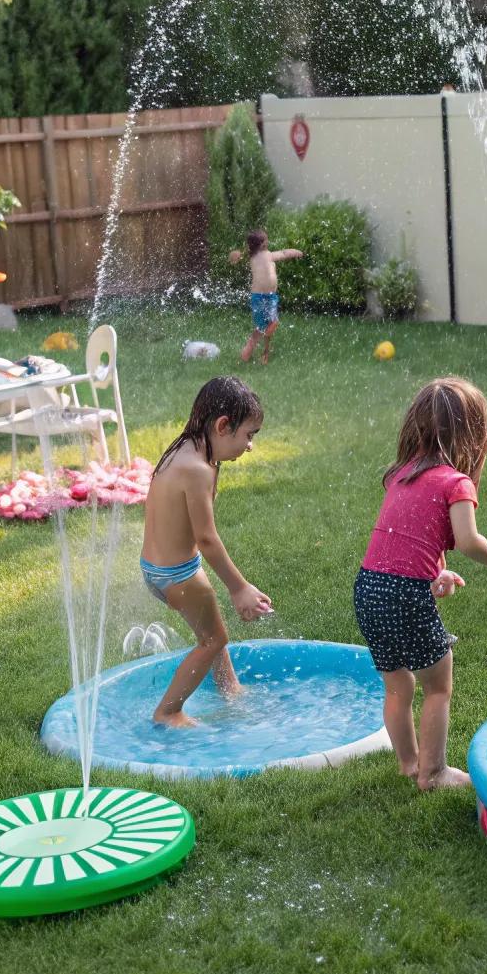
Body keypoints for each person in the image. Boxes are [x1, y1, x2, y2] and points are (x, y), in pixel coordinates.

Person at [353, 377, 487, 790]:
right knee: (437, 686)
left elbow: (407, 539)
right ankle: (433, 773)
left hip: (369, 588)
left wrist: (434, 571)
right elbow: (467, 540)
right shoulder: (456, 483)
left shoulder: (401, 475)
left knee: (397, 686)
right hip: (404, 593)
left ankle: (409, 764)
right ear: (473, 436)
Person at [141, 376, 272, 727]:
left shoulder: (187, 448)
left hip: (158, 567)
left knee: (211, 631)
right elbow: (208, 538)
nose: (250, 445)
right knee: (214, 639)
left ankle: (231, 689)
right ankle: (169, 711)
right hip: (177, 574)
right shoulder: (197, 469)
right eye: (248, 435)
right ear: (222, 425)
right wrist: (239, 587)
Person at [228, 230, 304, 365]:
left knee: (268, 325)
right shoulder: (264, 255)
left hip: (270, 297)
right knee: (263, 327)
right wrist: (296, 252)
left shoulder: (255, 256)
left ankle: (262, 352)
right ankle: (247, 355)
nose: (268, 242)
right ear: (262, 244)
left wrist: (295, 252)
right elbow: (283, 253)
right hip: (260, 297)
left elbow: (283, 253)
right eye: (266, 240)